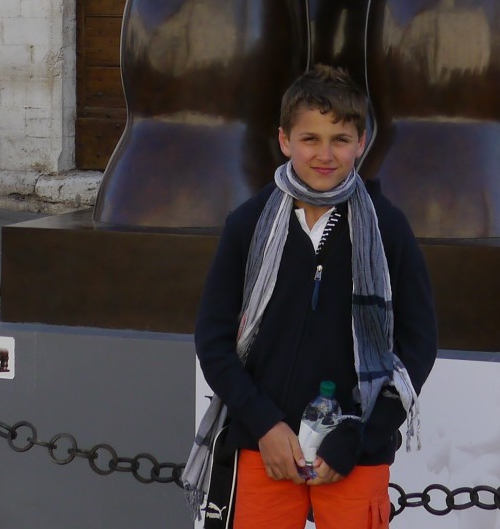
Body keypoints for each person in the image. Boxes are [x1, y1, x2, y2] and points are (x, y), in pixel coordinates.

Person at [185, 67, 436, 529]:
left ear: (361, 142)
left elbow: (418, 346)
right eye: (310, 139)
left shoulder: (389, 228)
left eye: (340, 139)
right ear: (284, 140)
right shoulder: (247, 223)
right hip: (263, 446)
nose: (325, 154)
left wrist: (361, 436)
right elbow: (214, 340)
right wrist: (263, 423)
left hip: (353, 453)